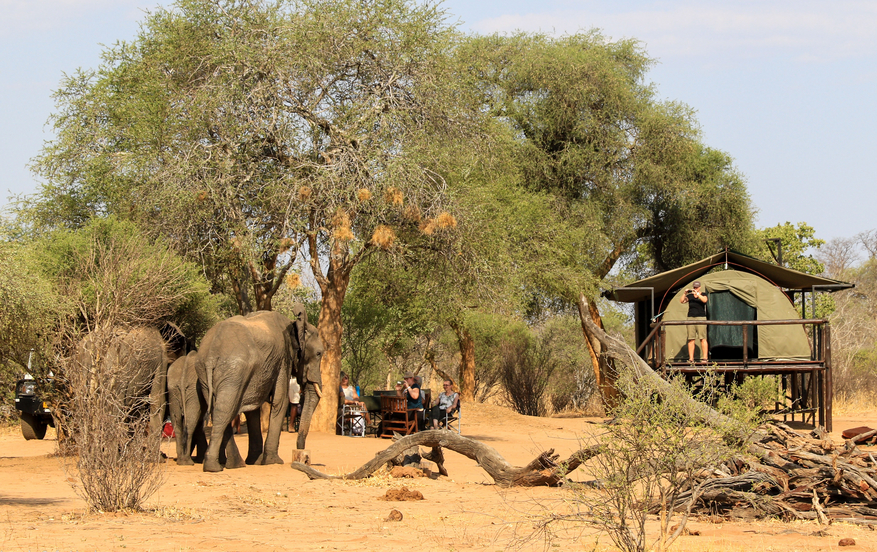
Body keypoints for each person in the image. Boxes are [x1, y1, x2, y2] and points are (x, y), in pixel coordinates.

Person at [680, 281, 709, 362]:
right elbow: (682, 301)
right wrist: (684, 293)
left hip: (701, 318)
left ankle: (705, 358)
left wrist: (698, 294)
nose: (695, 288)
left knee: (702, 338)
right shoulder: (690, 296)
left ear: (699, 287)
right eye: (694, 287)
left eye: (697, 287)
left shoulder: (703, 294)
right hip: (691, 318)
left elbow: (704, 300)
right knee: (691, 339)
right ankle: (691, 359)